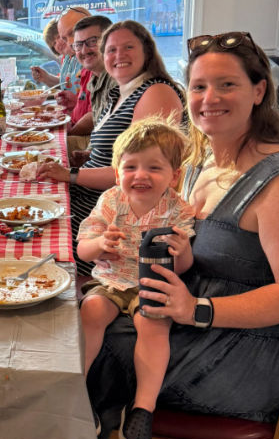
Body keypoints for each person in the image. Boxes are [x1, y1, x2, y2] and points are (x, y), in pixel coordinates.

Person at [0, 30, 279, 439]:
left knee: (85, 342)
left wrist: (198, 308)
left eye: (226, 85)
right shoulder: (203, 159)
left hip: (240, 354)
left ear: (259, 91)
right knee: (68, 310)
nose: (208, 99)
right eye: (198, 87)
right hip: (183, 316)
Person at [77, 120, 195, 439]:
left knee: (153, 323)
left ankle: (143, 408)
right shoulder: (111, 201)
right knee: (92, 309)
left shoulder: (179, 209)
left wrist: (183, 251)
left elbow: (184, 266)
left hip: (154, 284)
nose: (140, 175)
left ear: (173, 175)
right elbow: (83, 249)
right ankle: (79, 393)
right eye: (130, 167)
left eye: (154, 168)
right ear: (117, 173)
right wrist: (101, 242)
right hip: (112, 280)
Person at [36, 20, 186, 275]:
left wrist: (71, 175)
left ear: (147, 51)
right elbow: (116, 152)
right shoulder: (121, 92)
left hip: (120, 214)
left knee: (38, 239)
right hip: (94, 196)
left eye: (128, 47)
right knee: (29, 205)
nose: (119, 55)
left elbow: (137, 173)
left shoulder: (156, 93)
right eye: (112, 50)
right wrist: (88, 156)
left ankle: (70, 296)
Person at [65, 15, 116, 154]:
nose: (84, 50)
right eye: (78, 45)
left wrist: (80, 170)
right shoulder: (95, 78)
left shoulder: (118, 79)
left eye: (92, 41)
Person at [30, 20, 61, 87]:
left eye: (59, 37)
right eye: (54, 43)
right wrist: (46, 78)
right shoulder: (66, 58)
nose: (58, 43)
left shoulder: (79, 57)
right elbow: (64, 84)